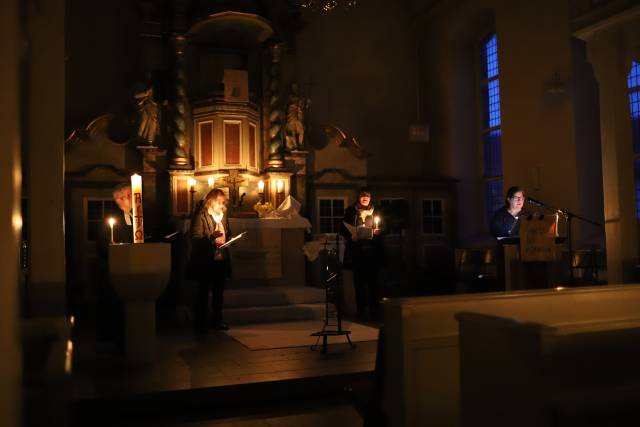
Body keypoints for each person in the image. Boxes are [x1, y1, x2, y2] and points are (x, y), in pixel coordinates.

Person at [188, 188, 232, 335]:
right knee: (203, 293)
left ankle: (217, 321)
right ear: (211, 201)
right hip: (205, 262)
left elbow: (228, 233)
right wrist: (211, 238)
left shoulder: (223, 216)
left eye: (223, 202)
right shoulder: (200, 216)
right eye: (219, 201)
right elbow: (195, 239)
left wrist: (231, 241)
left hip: (220, 259)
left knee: (219, 293)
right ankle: (200, 324)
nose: (222, 204)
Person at [340, 188, 385, 321]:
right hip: (357, 252)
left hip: (373, 252)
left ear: (370, 198)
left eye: (367, 196)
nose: (365, 198)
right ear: (358, 198)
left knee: (374, 283)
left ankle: (374, 311)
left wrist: (379, 231)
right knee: (358, 283)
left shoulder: (378, 210)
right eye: (362, 196)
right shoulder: (351, 211)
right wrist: (351, 236)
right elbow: (343, 228)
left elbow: (386, 225)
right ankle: (360, 311)